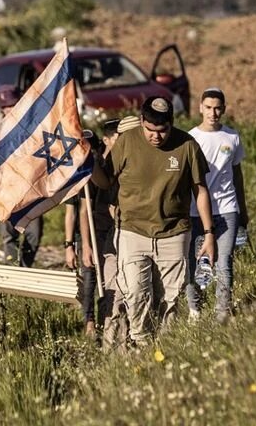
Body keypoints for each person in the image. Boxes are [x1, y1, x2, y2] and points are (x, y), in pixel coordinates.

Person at [89, 97, 214, 347]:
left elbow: (200, 191)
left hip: (174, 233)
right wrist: (88, 162)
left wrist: (209, 233)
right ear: (142, 121)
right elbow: (105, 182)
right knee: (135, 292)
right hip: (132, 231)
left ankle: (164, 349)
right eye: (150, 130)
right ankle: (142, 345)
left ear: (171, 124)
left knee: (168, 299)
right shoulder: (126, 142)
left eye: (163, 131)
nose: (156, 136)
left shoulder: (187, 145)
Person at [186, 88, 248, 322]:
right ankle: (195, 309)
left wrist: (243, 208)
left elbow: (237, 174)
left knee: (224, 260)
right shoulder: (191, 138)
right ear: (200, 107)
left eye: (218, 108)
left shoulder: (232, 137)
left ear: (224, 108)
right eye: (209, 107)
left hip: (226, 208)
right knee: (194, 262)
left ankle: (222, 312)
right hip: (195, 210)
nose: (213, 113)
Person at [65, 120, 124, 340]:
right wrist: (84, 245)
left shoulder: (123, 161)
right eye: (118, 137)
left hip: (117, 229)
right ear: (108, 140)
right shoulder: (95, 164)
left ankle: (107, 319)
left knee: (112, 278)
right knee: (91, 275)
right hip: (95, 230)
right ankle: (90, 321)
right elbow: (81, 211)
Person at [0, 87, 43, 266]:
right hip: (4, 185)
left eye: (13, 104)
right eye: (6, 105)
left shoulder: (30, 122)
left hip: (29, 184)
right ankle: (13, 269)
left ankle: (25, 266)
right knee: (8, 232)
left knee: (34, 231)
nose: (10, 109)